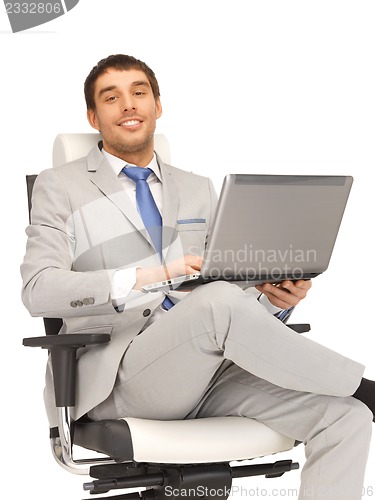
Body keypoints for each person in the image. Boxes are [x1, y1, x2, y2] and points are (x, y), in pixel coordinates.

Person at [21, 54, 374, 500]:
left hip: (207, 374)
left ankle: (357, 398)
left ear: (157, 106)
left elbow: (227, 299)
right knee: (221, 301)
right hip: (122, 379)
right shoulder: (60, 185)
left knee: (347, 417)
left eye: (139, 93)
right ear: (94, 117)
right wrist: (148, 275)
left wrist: (273, 300)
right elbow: (38, 291)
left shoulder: (196, 187)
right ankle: (364, 386)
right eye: (111, 98)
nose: (128, 105)